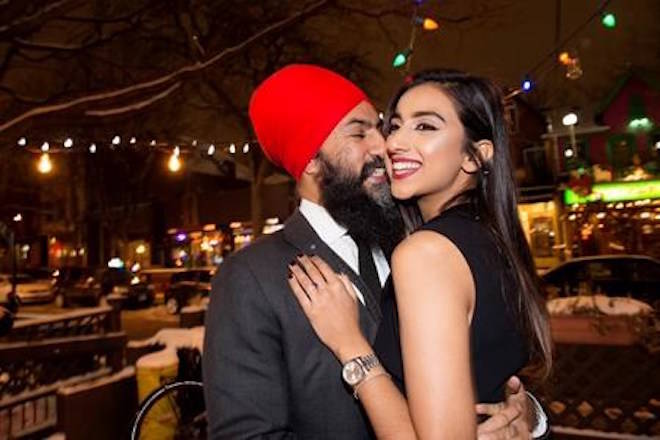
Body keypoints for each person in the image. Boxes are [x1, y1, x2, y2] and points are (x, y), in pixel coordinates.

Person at [203, 64, 548, 439]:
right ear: (311, 160)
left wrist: (526, 414)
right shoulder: (251, 277)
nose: (384, 146)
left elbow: (489, 364)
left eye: (380, 127)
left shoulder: (424, 242)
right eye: (359, 132)